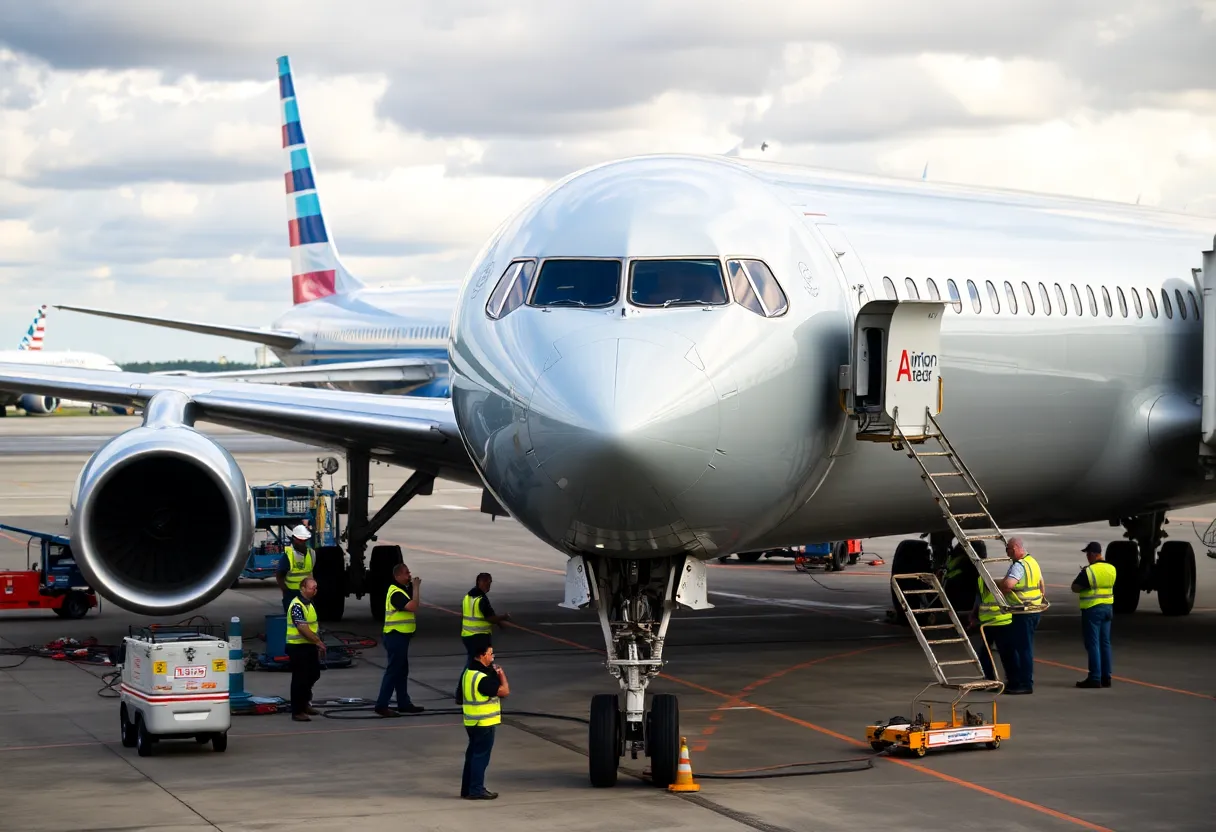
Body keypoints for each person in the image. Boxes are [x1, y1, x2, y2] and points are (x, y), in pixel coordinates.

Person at [460, 642, 509, 800]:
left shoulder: (468, 673)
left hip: (471, 722)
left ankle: (467, 789)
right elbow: (504, 691)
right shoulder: (482, 678)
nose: (492, 657)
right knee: (481, 757)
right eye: (490, 653)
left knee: (472, 756)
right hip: (484, 723)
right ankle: (476, 789)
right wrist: (501, 675)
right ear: (482, 655)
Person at [997, 537, 1045, 694]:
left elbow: (1009, 585)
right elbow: (1042, 586)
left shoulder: (1018, 566)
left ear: (1016, 548)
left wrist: (1002, 585)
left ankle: (1024, 683)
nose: (1007, 553)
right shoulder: (1033, 562)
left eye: (1009, 550)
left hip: (1022, 611)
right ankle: (1019, 680)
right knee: (1023, 647)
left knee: (1022, 648)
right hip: (1034, 610)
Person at [376, 563, 424, 717]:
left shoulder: (401, 590)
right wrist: (416, 587)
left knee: (402, 671)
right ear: (397, 576)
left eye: (409, 572)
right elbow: (413, 606)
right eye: (406, 573)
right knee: (393, 671)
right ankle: (382, 704)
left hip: (401, 637)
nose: (409, 575)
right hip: (395, 636)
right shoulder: (396, 593)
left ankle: (404, 703)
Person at [967, 551, 1015, 686]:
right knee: (992, 653)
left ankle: (1003, 680)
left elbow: (980, 597)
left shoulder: (989, 577)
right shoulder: (984, 577)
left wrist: (974, 614)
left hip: (999, 621)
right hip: (991, 621)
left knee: (1001, 653)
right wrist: (974, 614)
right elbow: (980, 598)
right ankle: (995, 679)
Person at [1071, 542, 1116, 688]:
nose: (1087, 557)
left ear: (1092, 554)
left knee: (1093, 644)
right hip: (1107, 608)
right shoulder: (1111, 568)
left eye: (1087, 554)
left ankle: (1095, 677)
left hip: (1092, 609)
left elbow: (1075, 587)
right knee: (1105, 643)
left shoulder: (1089, 571)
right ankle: (1106, 676)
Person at [286, 577, 325, 722]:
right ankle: (297, 711)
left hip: (308, 645)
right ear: (302, 588)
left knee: (313, 674)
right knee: (299, 678)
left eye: (316, 587)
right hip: (297, 647)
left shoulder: (309, 603)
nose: (315, 590)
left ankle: (305, 703)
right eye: (312, 588)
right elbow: (302, 627)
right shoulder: (296, 605)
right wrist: (317, 641)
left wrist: (316, 641)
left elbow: (313, 625)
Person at [461, 572, 511, 659]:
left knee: (472, 662)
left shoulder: (467, 597)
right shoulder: (481, 599)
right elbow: (490, 618)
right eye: (487, 583)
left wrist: (499, 623)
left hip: (466, 636)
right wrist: (504, 617)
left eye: (489, 583)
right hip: (479, 637)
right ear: (479, 582)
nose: (488, 586)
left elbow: (486, 613)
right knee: (483, 662)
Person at [276, 525, 314, 613]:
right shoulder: (289, 555)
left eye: (304, 540)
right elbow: (279, 575)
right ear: (294, 539)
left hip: (307, 593)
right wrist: (285, 591)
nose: (303, 542)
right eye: (300, 540)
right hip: (292, 593)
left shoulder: (311, 554)